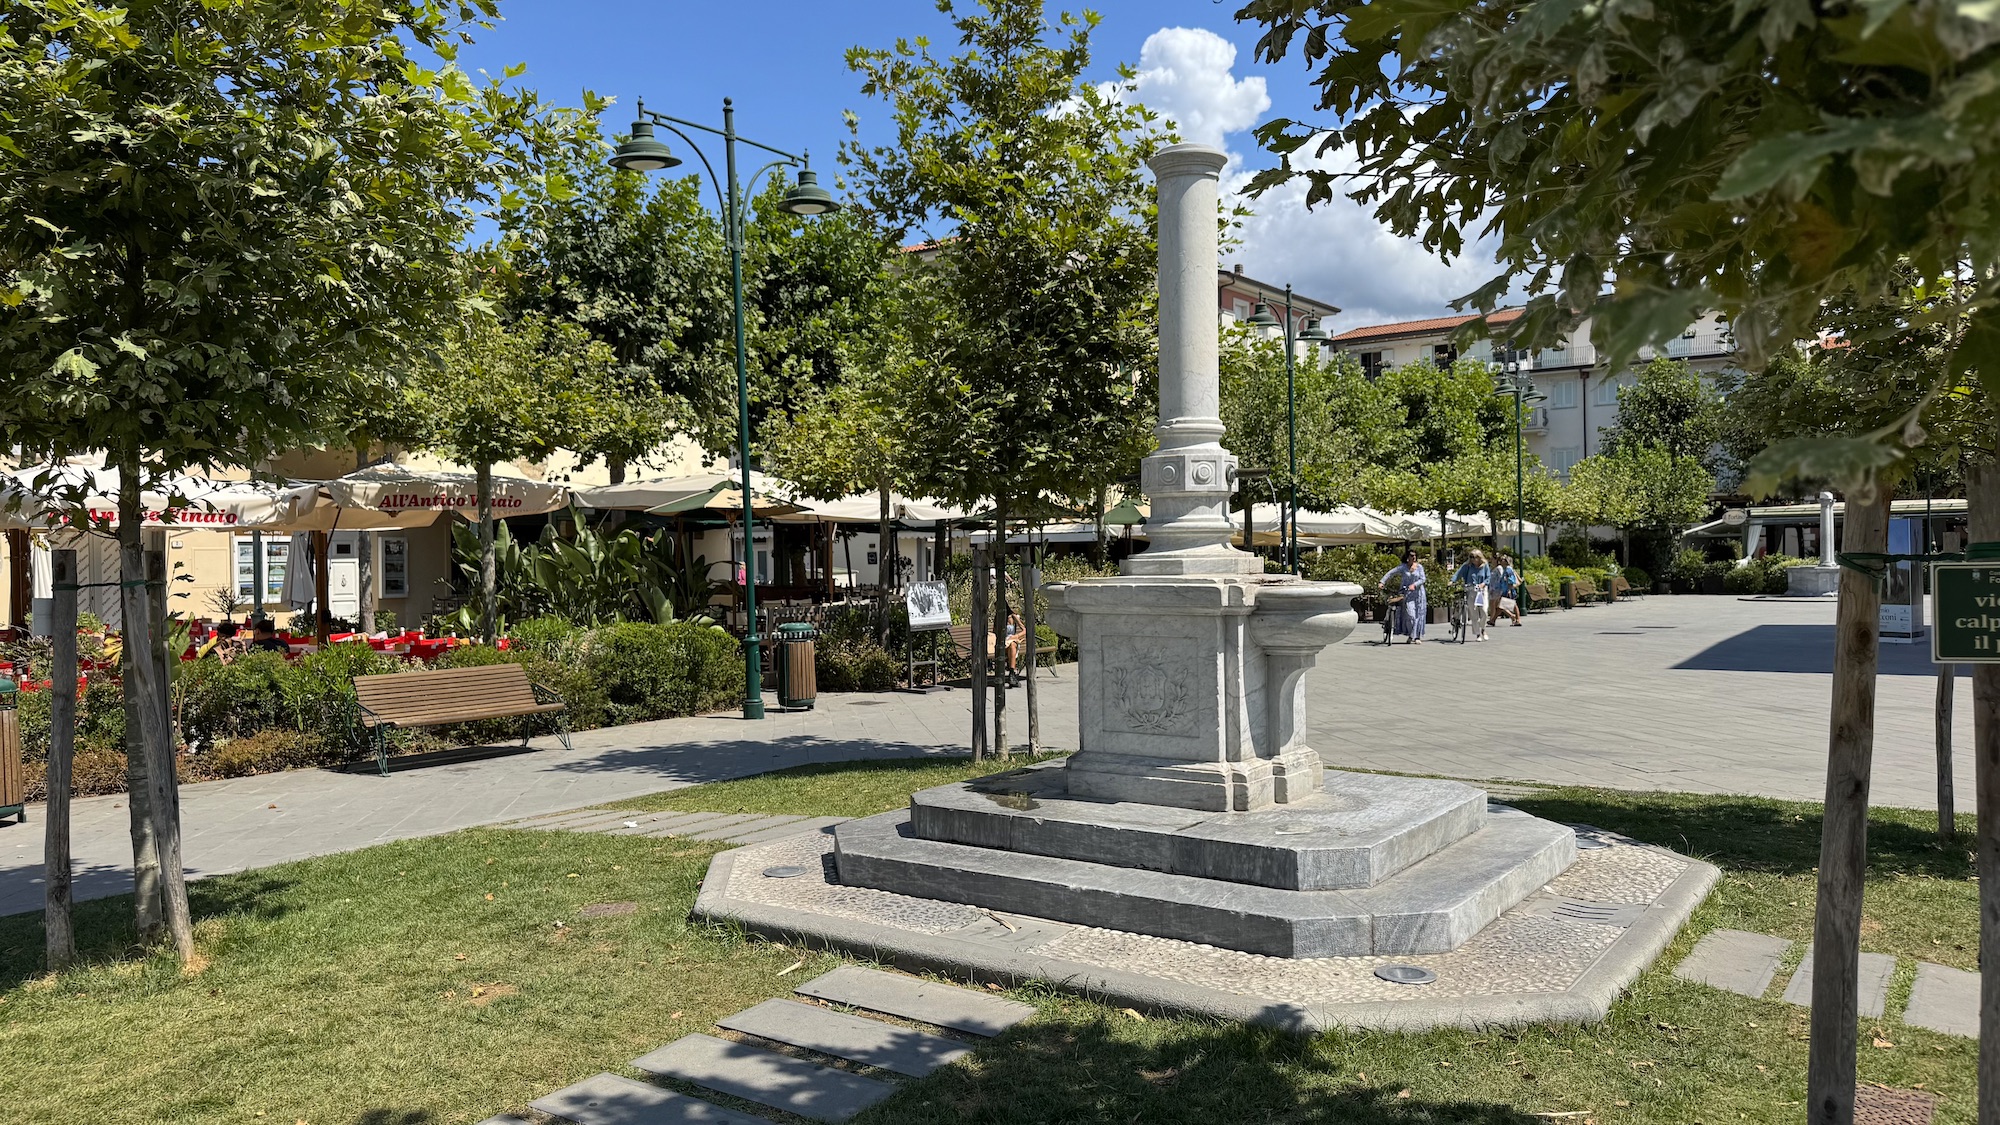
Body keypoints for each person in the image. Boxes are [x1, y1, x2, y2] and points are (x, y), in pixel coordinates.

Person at [1378, 550, 1427, 643]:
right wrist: (1382, 581)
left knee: (1418, 615)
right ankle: (1411, 634)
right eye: (1412, 555)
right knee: (1410, 615)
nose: (1414, 557)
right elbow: (1391, 572)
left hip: (1419, 594)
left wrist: (1415, 585)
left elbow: (1423, 579)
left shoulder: (1419, 567)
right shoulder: (1403, 567)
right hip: (1407, 594)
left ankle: (1415, 637)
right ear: (1407, 557)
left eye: (1415, 556)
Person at [1453, 549, 1493, 641]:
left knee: (1484, 611)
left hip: (1482, 590)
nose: (1472, 559)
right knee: (1473, 613)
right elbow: (1458, 573)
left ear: (1479, 558)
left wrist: (1483, 584)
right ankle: (1477, 634)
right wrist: (1452, 580)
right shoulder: (1467, 566)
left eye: (1474, 557)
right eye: (1470, 557)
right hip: (1471, 590)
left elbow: (1488, 577)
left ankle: (1483, 629)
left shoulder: (1484, 566)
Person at [1490, 554, 1524, 626]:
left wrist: (1509, 589)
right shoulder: (1505, 569)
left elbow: (1510, 580)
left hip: (1509, 590)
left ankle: (1518, 620)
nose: (1500, 561)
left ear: (1506, 562)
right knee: (1501, 606)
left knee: (1513, 605)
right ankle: (1493, 620)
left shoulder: (1508, 569)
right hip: (1505, 590)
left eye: (1502, 560)